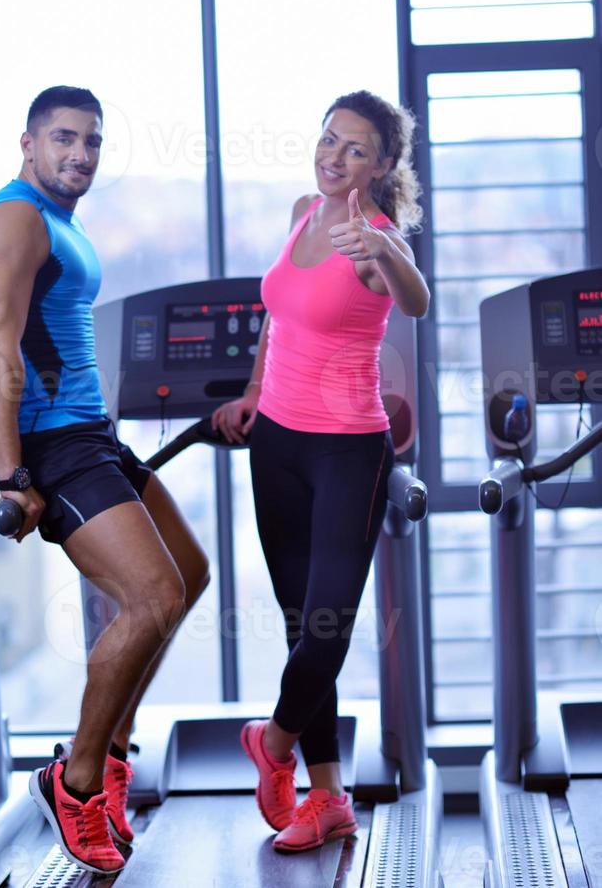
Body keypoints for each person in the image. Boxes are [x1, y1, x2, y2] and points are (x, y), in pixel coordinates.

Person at [0, 86, 209, 875]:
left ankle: (113, 750)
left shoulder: (59, 221)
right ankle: (75, 780)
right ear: (28, 143)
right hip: (51, 444)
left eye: (92, 142)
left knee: (188, 574)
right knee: (152, 598)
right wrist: (10, 475)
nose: (81, 155)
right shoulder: (13, 220)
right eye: (64, 138)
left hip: (90, 433)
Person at [212, 90, 429, 853]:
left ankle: (271, 744)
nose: (335, 157)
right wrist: (251, 390)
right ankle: (328, 798)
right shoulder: (306, 209)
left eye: (356, 149)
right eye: (330, 139)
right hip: (276, 441)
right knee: (304, 621)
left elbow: (418, 300)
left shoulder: (375, 240)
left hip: (347, 448)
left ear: (382, 165)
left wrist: (389, 254)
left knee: (328, 623)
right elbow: (278, 314)